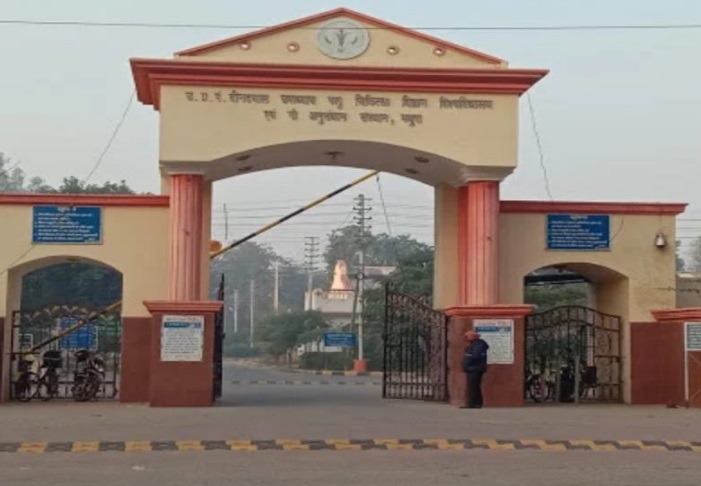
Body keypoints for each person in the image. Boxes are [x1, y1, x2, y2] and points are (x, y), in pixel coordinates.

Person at [460, 330, 489, 409]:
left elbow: (476, 356)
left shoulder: (478, 345)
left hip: (474, 368)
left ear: (472, 337)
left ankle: (472, 403)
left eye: (467, 337)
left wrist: (468, 362)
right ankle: (477, 403)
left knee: (473, 387)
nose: (466, 338)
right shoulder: (476, 344)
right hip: (474, 368)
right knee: (475, 386)